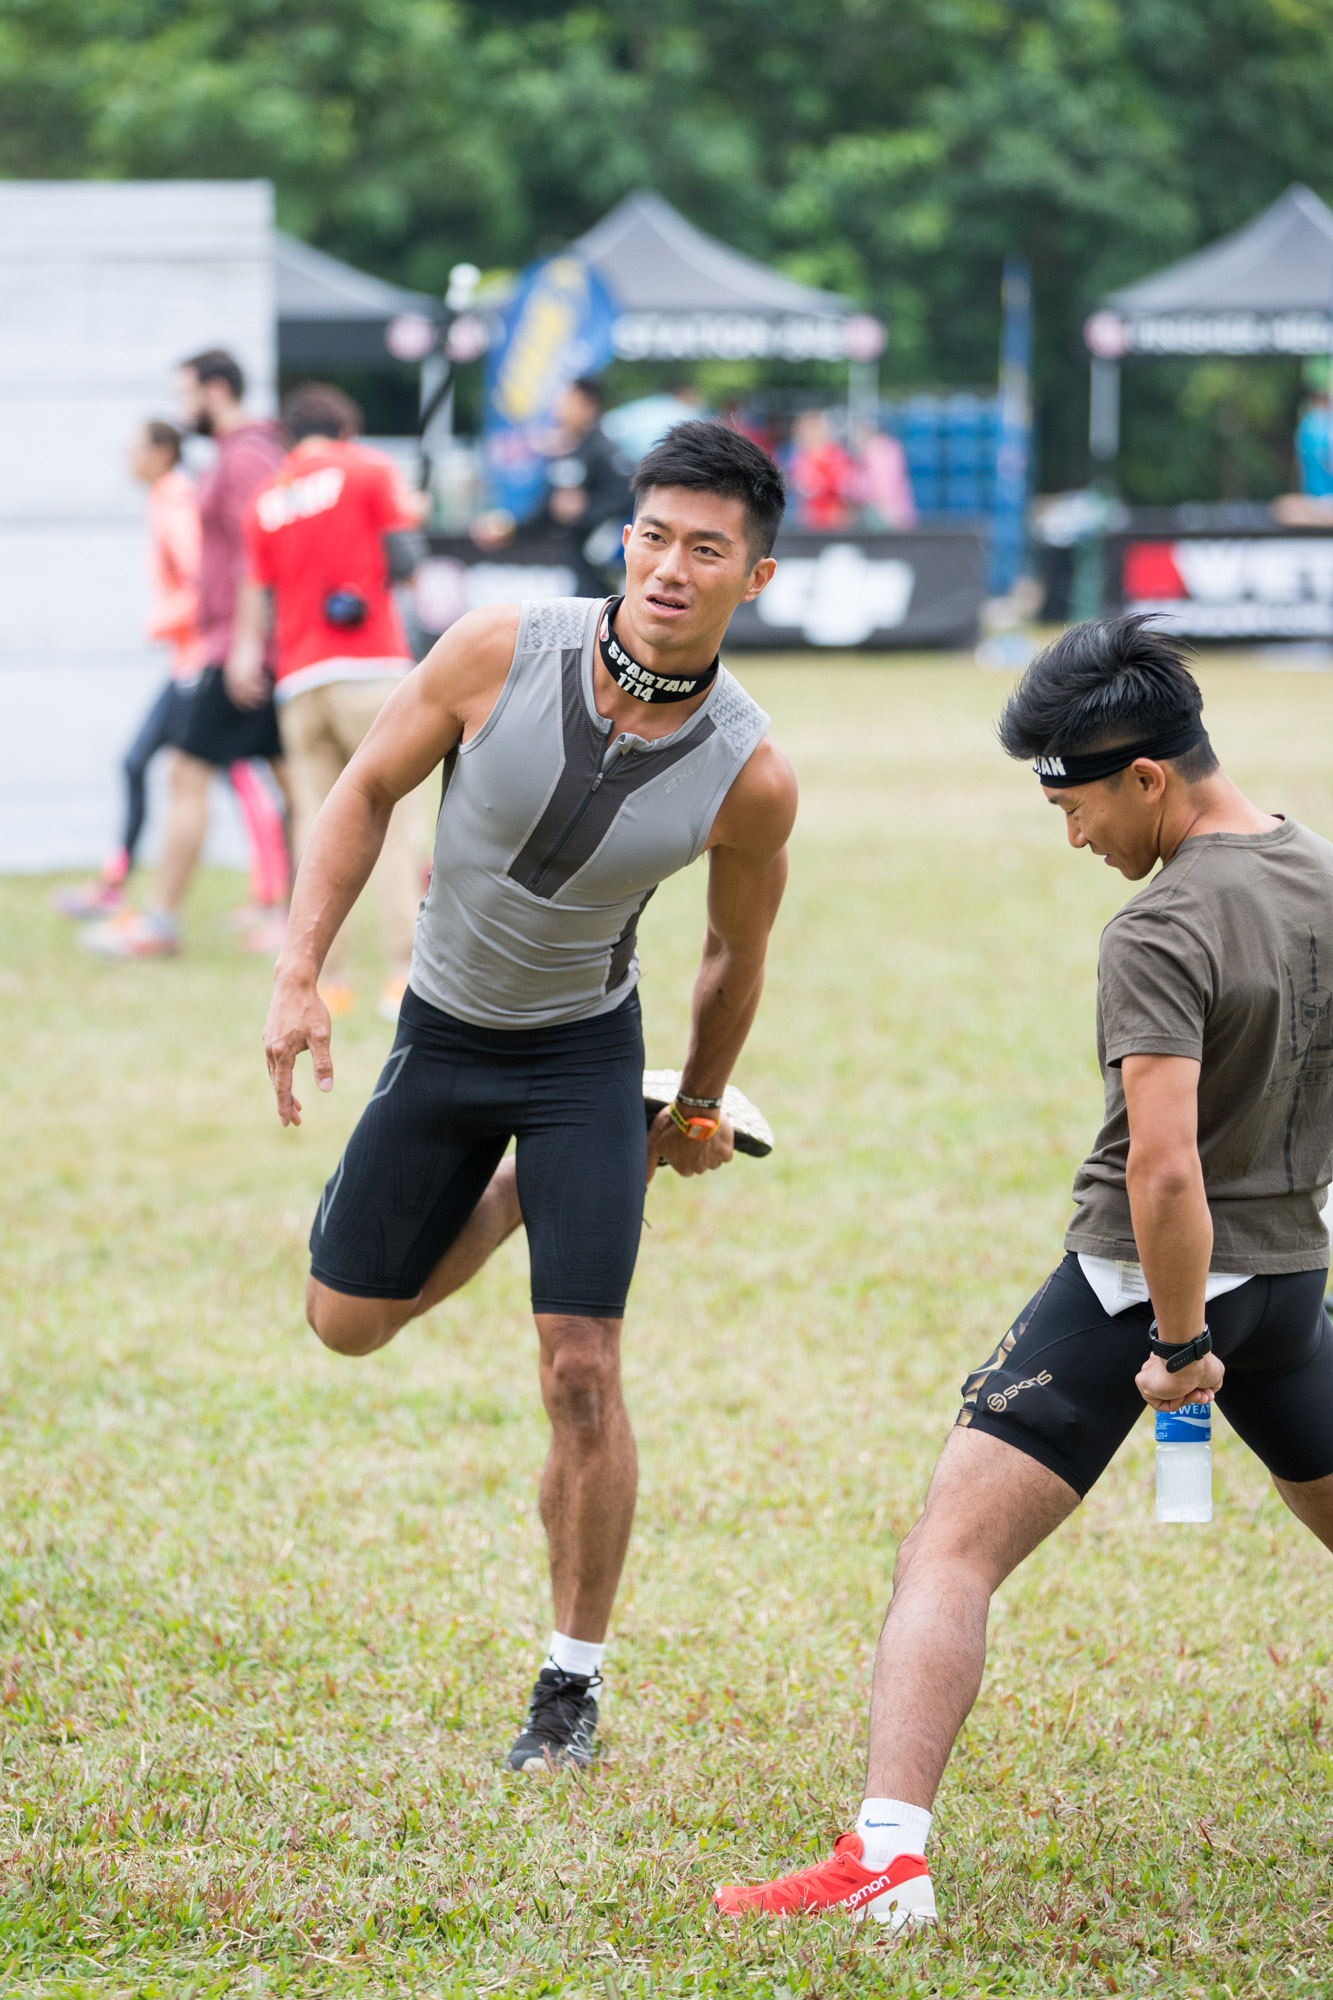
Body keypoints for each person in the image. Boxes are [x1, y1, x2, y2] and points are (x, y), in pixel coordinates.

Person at [717, 615, 1333, 1930]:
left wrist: (1179, 1344)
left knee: (948, 1550)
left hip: (1144, 1290)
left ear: (1148, 777)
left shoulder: (1159, 928)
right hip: (1290, 1284)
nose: (1073, 837)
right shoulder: (1317, 870)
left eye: (1075, 806)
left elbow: (1163, 1171)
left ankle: (885, 1861)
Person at [262, 420, 797, 1772]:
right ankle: (510, 1193)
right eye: (654, 537)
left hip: (581, 1057)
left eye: (707, 550)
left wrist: (697, 1105)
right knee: (345, 1324)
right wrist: (299, 970)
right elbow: (365, 787)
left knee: (580, 1370)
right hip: (443, 1033)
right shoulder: (497, 650)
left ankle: (569, 1684)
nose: (670, 569)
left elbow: (732, 954)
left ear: (756, 577)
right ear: (626, 537)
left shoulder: (749, 772)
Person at [80, 350, 289, 960]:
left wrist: (245, 646)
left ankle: (161, 921)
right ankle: (286, 917)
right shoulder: (236, 453)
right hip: (245, 645)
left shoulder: (244, 455)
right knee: (296, 785)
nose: (181, 408)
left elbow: (257, 552)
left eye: (186, 393)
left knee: (188, 773)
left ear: (215, 390)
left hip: (239, 649)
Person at [229, 382, 425, 1023]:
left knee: (316, 833)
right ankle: (401, 976)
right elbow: (406, 557)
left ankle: (326, 981)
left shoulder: (267, 497)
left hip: (299, 680)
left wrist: (243, 657)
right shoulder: (368, 468)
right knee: (391, 824)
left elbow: (255, 591)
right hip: (370, 668)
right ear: (345, 428)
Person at [55, 421, 206, 920]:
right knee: (140, 763)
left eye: (133, 449)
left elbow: (201, 582)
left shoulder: (176, 501)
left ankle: (267, 896)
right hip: (187, 663)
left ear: (161, 453)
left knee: (209, 776)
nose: (126, 458)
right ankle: (116, 881)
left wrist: (160, 622)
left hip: (199, 666)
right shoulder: (166, 499)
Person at [540, 377, 633, 593]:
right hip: (575, 560)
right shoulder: (568, 450)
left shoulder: (602, 450)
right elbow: (549, 506)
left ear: (589, 405)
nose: (560, 408)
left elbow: (629, 492)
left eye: (568, 401)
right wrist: (512, 527)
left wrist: (585, 511)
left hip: (601, 563)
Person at [788, 408, 856, 532]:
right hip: (810, 519)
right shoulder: (801, 457)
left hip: (835, 517)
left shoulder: (836, 455)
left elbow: (844, 487)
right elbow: (800, 486)